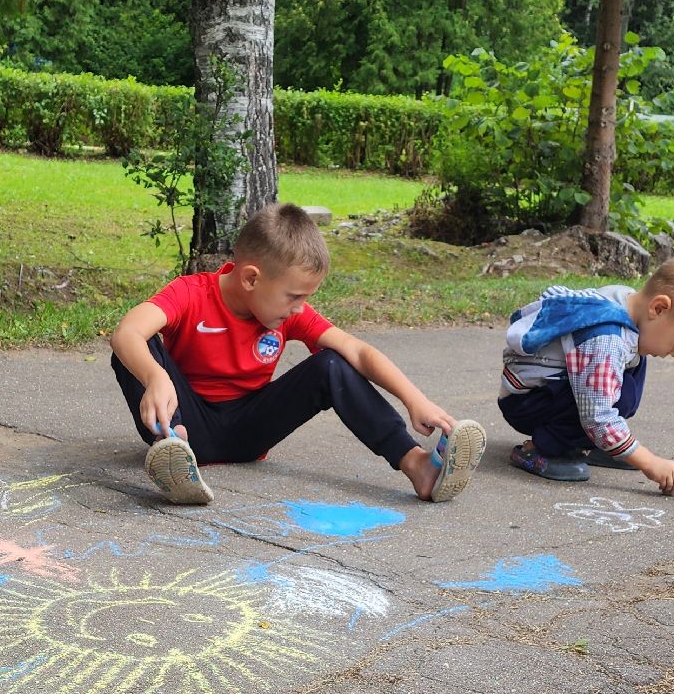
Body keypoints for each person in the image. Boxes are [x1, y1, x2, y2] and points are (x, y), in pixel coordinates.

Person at [109, 202, 486, 506]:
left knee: (332, 363)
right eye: (294, 296)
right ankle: (173, 453)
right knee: (138, 348)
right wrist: (155, 376)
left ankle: (417, 465)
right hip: (186, 423)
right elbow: (126, 332)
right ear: (251, 278)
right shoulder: (191, 294)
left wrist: (415, 400)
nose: (299, 308)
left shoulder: (289, 314)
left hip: (249, 430)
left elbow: (356, 350)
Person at [498, 255, 674, 492]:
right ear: (659, 308)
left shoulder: (628, 300)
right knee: (620, 394)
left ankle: (595, 442)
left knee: (635, 366)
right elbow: (597, 416)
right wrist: (649, 462)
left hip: (554, 388)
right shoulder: (607, 339)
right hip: (526, 402)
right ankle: (541, 449)